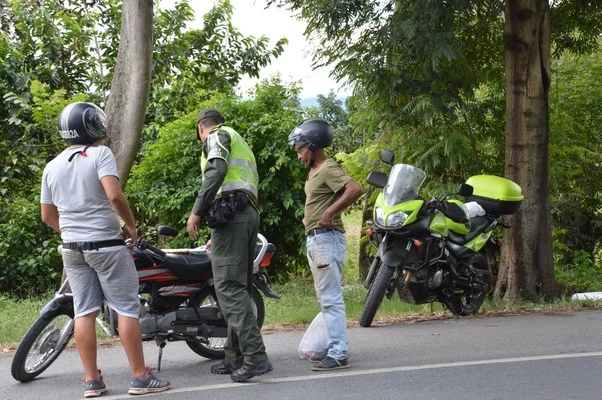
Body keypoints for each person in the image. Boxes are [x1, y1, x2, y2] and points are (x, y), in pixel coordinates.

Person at [40, 102, 170, 398]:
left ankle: (91, 381)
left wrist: (72, 232)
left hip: (72, 248)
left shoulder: (53, 165)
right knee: (126, 307)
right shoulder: (100, 154)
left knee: (84, 311)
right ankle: (139, 377)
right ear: (93, 125)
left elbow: (47, 216)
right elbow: (114, 194)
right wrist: (132, 226)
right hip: (107, 246)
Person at [186, 108, 272, 382]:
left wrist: (197, 211)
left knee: (228, 288)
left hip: (232, 217)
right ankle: (233, 357)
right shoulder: (238, 139)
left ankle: (256, 356)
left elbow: (217, 170)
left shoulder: (216, 137)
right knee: (239, 288)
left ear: (202, 128)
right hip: (245, 216)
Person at [287, 119, 364, 371]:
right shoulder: (314, 173)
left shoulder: (328, 167)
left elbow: (354, 189)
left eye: (300, 149)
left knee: (331, 299)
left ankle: (339, 352)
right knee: (326, 298)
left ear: (313, 145)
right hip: (317, 240)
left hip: (326, 240)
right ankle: (333, 346)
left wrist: (330, 212)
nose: (299, 155)